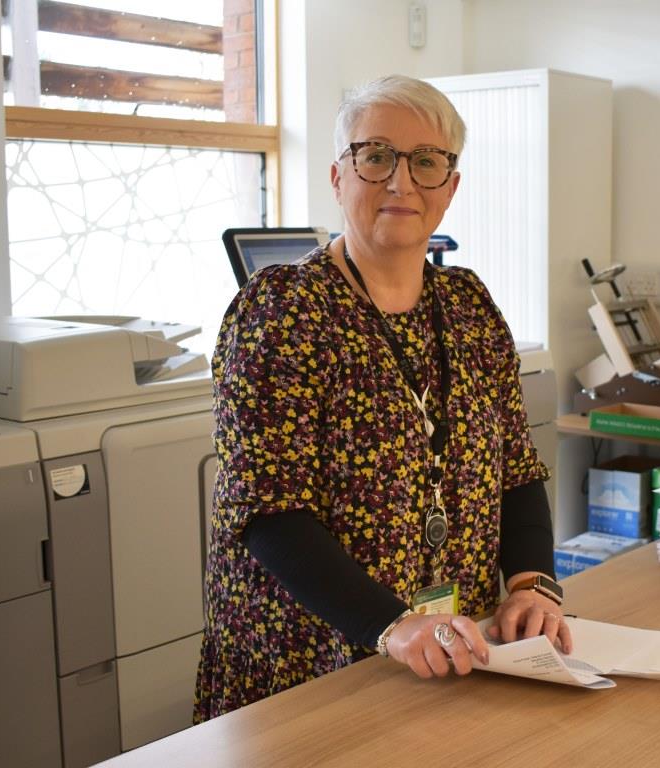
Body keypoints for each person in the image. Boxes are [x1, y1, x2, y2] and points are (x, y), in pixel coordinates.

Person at [194, 74, 569, 723]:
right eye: (375, 156)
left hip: (450, 651)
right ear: (340, 177)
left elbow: (516, 469)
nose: (401, 183)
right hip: (312, 663)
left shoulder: (469, 305)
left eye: (426, 162)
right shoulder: (283, 310)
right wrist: (391, 625)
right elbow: (268, 513)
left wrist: (532, 584)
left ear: (449, 188)